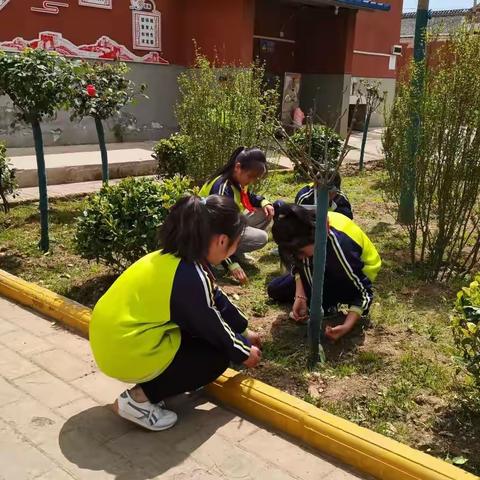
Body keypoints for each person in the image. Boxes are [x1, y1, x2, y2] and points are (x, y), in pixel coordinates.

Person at [89, 195, 262, 432]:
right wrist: (244, 352)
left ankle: (158, 382)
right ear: (223, 241)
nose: (235, 249)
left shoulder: (175, 259)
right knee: (215, 357)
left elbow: (215, 298)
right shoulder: (190, 277)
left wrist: (243, 329)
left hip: (112, 341)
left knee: (200, 339)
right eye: (236, 243)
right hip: (123, 353)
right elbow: (212, 326)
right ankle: (139, 399)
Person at [267, 203, 381, 341]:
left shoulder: (339, 248)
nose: (298, 257)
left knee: (325, 299)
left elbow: (364, 292)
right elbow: (300, 264)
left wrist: (346, 326)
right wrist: (300, 296)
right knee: (275, 289)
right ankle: (321, 301)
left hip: (355, 273)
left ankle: (328, 304)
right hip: (323, 262)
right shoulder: (303, 230)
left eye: (301, 252)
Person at [200, 147, 274, 284]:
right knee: (261, 238)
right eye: (251, 177)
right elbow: (217, 231)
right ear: (238, 167)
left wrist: (264, 202)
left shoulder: (237, 181)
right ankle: (219, 259)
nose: (251, 181)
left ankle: (235, 252)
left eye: (255, 178)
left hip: (228, 224)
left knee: (265, 213)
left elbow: (249, 197)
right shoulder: (222, 189)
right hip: (207, 234)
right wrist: (231, 264)